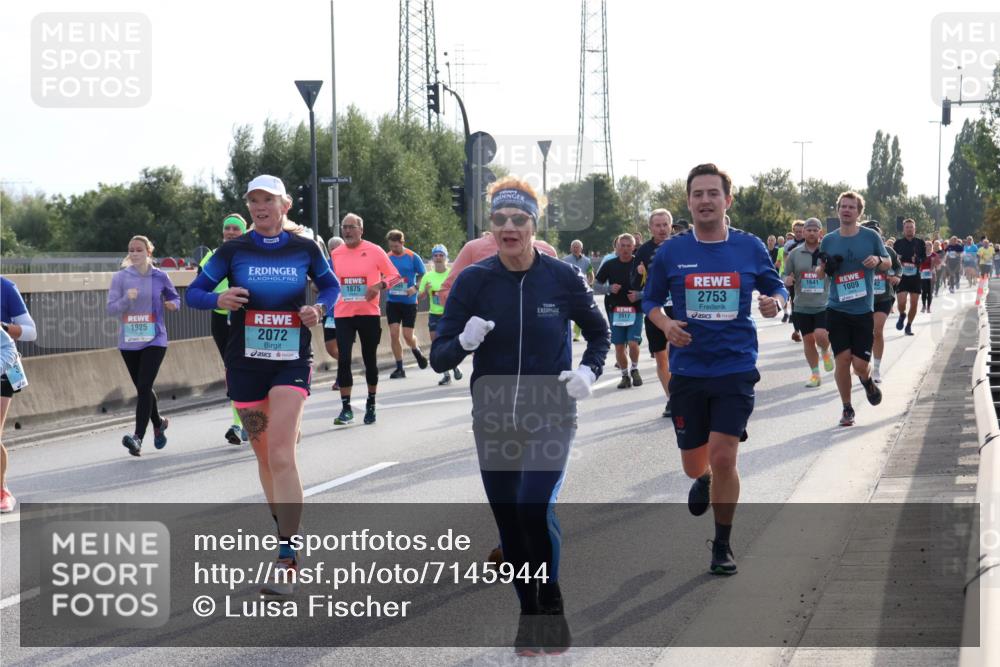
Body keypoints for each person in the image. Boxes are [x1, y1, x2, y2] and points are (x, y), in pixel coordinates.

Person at [430, 176, 610, 655]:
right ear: (491, 228)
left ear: (534, 225)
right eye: (499, 220)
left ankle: (550, 599)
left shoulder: (563, 278)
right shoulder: (473, 280)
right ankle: (529, 611)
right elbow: (439, 356)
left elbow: (599, 333)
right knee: (510, 522)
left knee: (534, 504)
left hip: (550, 411)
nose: (508, 228)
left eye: (519, 219)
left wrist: (588, 373)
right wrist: (463, 342)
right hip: (492, 416)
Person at [186, 174, 340, 594]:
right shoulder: (232, 250)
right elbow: (193, 293)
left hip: (291, 361)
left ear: (284, 204)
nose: (259, 207)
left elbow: (330, 285)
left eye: (267, 200)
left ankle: (287, 558)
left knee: (280, 452)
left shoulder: (305, 248)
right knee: (262, 453)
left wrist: (320, 309)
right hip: (245, 365)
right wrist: (216, 298)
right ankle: (286, 528)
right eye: (253, 200)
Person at [643, 163, 788, 576]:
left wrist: (776, 302)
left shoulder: (749, 247)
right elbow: (649, 301)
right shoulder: (671, 252)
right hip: (687, 371)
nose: (705, 200)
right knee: (695, 463)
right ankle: (701, 477)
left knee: (725, 456)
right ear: (688, 202)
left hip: (735, 366)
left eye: (712, 193)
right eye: (697, 194)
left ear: (727, 200)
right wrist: (666, 324)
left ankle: (722, 543)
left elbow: (776, 286)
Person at [816, 192, 890, 426]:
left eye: (852, 207)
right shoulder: (828, 240)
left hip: (862, 310)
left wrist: (877, 261)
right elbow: (820, 270)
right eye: (843, 206)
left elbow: (888, 262)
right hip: (836, 308)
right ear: (838, 210)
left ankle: (867, 381)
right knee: (843, 361)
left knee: (859, 365)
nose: (847, 210)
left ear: (859, 212)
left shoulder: (870, 237)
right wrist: (824, 269)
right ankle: (847, 408)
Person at [106, 236, 180, 456]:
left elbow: (176, 298)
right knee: (143, 388)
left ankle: (137, 437)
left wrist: (171, 305)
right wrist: (126, 300)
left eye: (139, 250)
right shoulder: (120, 278)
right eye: (131, 250)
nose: (135, 253)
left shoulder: (160, 276)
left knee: (145, 385)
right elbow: (111, 309)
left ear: (149, 252)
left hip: (155, 339)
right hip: (129, 340)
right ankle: (159, 423)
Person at [330, 213, 401, 425]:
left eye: (352, 227)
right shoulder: (336, 253)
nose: (348, 231)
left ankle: (371, 404)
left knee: (369, 359)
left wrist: (379, 286)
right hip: (343, 313)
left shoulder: (375, 250)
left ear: (361, 229)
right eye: (344, 227)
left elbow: (395, 277)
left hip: (368, 313)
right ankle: (346, 409)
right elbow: (327, 279)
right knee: (343, 360)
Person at [198, 214, 250, 445]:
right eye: (227, 228)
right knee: (233, 370)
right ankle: (239, 424)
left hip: (247, 317)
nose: (230, 232)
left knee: (250, 370)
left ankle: (250, 418)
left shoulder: (251, 254)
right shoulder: (212, 256)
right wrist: (218, 299)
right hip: (220, 319)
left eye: (235, 229)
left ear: (244, 232)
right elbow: (197, 291)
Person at [437, 229, 557, 306]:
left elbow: (559, 299)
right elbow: (446, 292)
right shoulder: (473, 249)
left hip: (536, 338)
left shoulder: (547, 252)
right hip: (486, 340)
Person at [782, 218, 833, 387]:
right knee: (808, 340)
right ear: (803, 233)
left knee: (820, 335)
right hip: (802, 305)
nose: (811, 233)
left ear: (821, 233)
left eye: (815, 230)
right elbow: (784, 274)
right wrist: (787, 279)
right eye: (808, 230)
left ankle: (826, 351)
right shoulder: (795, 253)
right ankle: (815, 375)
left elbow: (836, 273)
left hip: (823, 304)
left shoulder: (827, 253)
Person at [0, 277, 37, 513]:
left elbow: (31, 333)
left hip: (5, 364)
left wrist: (4, 328)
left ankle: (2, 490)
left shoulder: (5, 288)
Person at [635, 209, 675, 417]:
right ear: (650, 228)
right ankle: (671, 399)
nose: (661, 229)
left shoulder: (680, 245)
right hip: (654, 310)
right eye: (657, 225)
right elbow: (635, 282)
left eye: (665, 224)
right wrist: (640, 274)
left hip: (677, 307)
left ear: (671, 225)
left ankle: (684, 394)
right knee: (661, 357)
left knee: (674, 352)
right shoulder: (643, 251)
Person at [596, 233, 645, 389]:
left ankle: (635, 369)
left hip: (635, 309)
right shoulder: (609, 265)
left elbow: (654, 286)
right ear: (616, 247)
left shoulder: (640, 265)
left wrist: (639, 295)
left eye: (628, 246)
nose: (625, 249)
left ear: (634, 247)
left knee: (632, 342)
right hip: (615, 310)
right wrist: (608, 288)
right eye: (622, 246)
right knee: (618, 345)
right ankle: (625, 375)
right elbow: (595, 286)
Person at [384, 230, 428, 379]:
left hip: (409, 301)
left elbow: (424, 275)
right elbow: (381, 274)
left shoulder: (412, 256)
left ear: (402, 243)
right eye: (391, 246)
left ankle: (416, 350)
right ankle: (399, 368)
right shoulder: (387, 257)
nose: (393, 250)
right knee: (394, 333)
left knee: (408, 336)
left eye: (396, 246)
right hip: (393, 301)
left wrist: (415, 288)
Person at [863, 221, 902, 384]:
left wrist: (896, 277)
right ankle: (863, 364)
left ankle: (877, 369)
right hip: (863, 298)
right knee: (864, 333)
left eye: (877, 235)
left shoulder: (889, 251)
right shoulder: (859, 252)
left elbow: (898, 268)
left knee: (877, 330)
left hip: (883, 297)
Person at [418, 245, 462, 385]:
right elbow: (420, 297)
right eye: (436, 255)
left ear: (446, 258)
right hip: (434, 314)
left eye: (441, 255)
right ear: (432, 258)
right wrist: (425, 290)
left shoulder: (452, 274)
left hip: (449, 313)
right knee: (437, 344)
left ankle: (455, 366)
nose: (438, 258)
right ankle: (446, 374)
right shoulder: (428, 276)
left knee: (451, 342)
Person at [892, 219, 925, 336]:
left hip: (915, 276)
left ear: (914, 229)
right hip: (902, 276)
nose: (909, 229)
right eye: (907, 227)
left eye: (911, 227)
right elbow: (893, 259)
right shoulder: (898, 243)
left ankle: (909, 326)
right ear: (904, 229)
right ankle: (902, 314)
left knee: (914, 303)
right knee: (901, 302)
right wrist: (899, 259)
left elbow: (924, 258)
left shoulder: (920, 243)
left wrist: (918, 260)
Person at [562, 239, 596, 342]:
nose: (576, 249)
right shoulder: (564, 260)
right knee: (566, 311)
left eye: (577, 247)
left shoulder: (586, 261)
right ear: (570, 248)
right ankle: (565, 331)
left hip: (581, 290)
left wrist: (589, 283)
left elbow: (590, 273)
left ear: (581, 248)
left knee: (580, 312)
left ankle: (576, 334)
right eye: (574, 247)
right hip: (568, 290)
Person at [324, 236, 345, 390]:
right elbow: (315, 284)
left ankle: (341, 377)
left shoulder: (350, 263)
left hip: (346, 313)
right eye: (333, 249)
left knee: (343, 346)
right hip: (330, 313)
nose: (336, 251)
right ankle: (345, 364)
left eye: (339, 248)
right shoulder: (325, 265)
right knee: (331, 348)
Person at [920, 240, 939, 313]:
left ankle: (928, 307)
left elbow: (938, 264)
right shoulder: (922, 254)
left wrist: (934, 263)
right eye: (926, 245)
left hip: (932, 274)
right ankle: (923, 306)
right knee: (924, 291)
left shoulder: (934, 255)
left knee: (930, 292)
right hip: (923, 274)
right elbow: (919, 263)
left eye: (929, 245)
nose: (928, 247)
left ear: (931, 246)